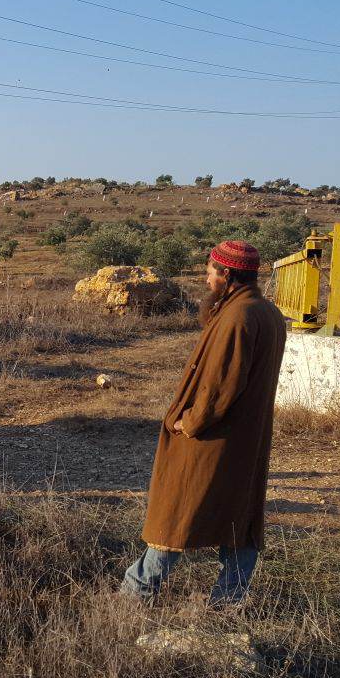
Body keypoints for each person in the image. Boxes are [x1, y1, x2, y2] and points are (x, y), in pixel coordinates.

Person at [120, 241, 286, 606]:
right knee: (239, 517)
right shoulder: (266, 312)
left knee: (177, 510)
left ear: (227, 274)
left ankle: (137, 592)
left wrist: (188, 423)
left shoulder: (237, 317)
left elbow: (220, 386)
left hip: (215, 438)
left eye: (211, 270)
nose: (206, 277)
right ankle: (228, 601)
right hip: (247, 439)